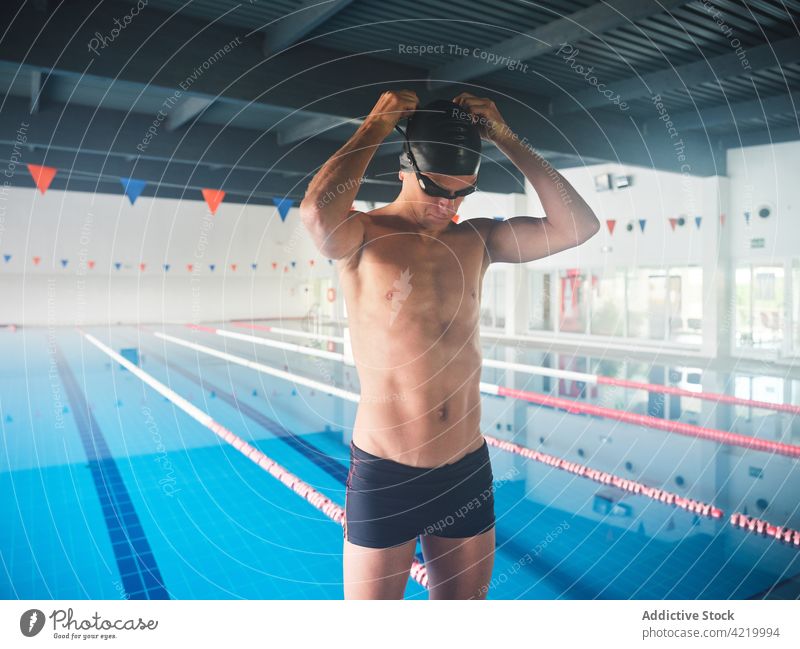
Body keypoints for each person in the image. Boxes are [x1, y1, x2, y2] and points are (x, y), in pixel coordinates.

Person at [300, 90, 600, 599]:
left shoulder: (476, 239)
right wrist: (378, 122)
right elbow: (315, 214)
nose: (448, 204)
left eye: (463, 193)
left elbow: (578, 226)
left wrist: (506, 136)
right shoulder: (362, 235)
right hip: (385, 472)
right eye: (436, 188)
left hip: (465, 468)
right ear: (405, 168)